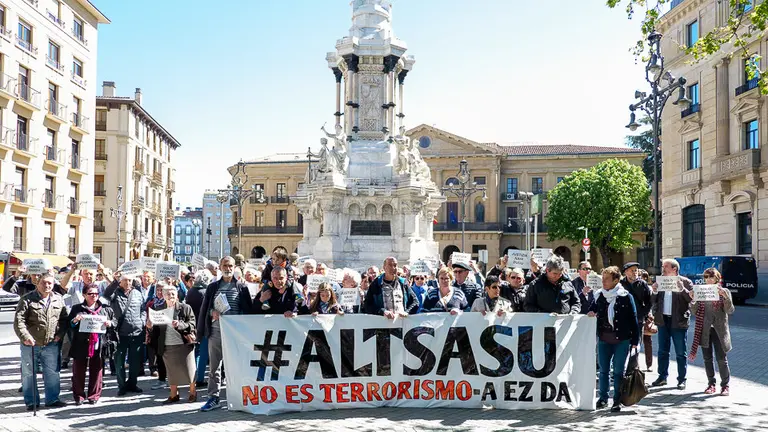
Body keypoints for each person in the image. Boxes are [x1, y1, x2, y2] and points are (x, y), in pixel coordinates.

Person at [197, 256, 253, 412]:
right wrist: (211, 312)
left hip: (236, 334)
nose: (228, 268)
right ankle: (213, 397)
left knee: (237, 367)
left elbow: (248, 310)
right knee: (214, 367)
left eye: (230, 266)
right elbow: (205, 309)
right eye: (225, 265)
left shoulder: (242, 287)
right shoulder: (212, 287)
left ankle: (237, 397)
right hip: (216, 332)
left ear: (234, 267)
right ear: (220, 268)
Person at [587, 266, 639, 412]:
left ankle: (616, 400)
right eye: (602, 279)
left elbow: (633, 319)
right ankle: (603, 398)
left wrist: (635, 341)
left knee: (618, 371)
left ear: (616, 280)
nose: (603, 282)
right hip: (604, 339)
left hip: (622, 340)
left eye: (606, 279)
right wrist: (591, 312)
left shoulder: (625, 296)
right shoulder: (599, 295)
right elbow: (591, 310)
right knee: (603, 370)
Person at [14, 274, 69, 410]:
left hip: (51, 343)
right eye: (44, 283)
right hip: (30, 344)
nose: (47, 286)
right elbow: (19, 321)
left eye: (50, 283)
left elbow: (64, 320)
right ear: (37, 283)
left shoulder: (58, 299)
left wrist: (60, 335)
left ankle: (52, 399)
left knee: (52, 373)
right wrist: (25, 336)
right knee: (29, 374)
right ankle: (32, 402)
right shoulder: (27, 299)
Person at [148, 283, 197, 404]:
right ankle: (174, 394)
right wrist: (150, 327)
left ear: (177, 295)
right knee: (171, 371)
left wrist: (180, 324)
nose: (171, 296)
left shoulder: (185, 308)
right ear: (163, 296)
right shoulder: (159, 310)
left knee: (189, 369)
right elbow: (156, 331)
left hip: (184, 343)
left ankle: (192, 392)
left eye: (173, 294)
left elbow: (192, 324)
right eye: (168, 294)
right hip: (167, 344)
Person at [689, 268, 734, 396]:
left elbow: (730, 310)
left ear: (717, 278)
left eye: (711, 277)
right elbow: (695, 311)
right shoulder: (701, 291)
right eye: (706, 277)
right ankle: (711, 384)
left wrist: (725, 297)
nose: (708, 279)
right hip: (705, 330)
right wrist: (693, 300)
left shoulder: (724, 291)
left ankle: (725, 385)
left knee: (721, 359)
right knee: (707, 358)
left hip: (720, 330)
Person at [650, 258, 694, 390]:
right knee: (663, 351)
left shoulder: (686, 282)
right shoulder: (660, 281)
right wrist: (655, 291)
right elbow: (653, 300)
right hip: (663, 320)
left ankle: (682, 379)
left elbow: (691, 300)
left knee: (681, 352)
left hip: (678, 322)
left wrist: (682, 290)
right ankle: (662, 377)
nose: (662, 269)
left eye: (665, 266)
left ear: (674, 269)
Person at [68, 283, 114, 405]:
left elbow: (114, 322)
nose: (94, 296)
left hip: (98, 344)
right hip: (81, 343)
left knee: (97, 370)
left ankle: (94, 396)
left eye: (96, 294)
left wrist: (110, 323)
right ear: (84, 295)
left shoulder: (105, 309)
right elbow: (70, 325)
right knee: (78, 371)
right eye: (90, 294)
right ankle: (79, 396)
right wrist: (75, 320)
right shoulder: (77, 308)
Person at [111, 274, 147, 395]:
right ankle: (122, 386)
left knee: (135, 362)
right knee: (119, 361)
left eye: (130, 280)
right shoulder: (114, 293)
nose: (128, 283)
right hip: (120, 333)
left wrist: (142, 321)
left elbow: (143, 309)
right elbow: (105, 295)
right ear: (120, 282)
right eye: (125, 280)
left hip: (137, 332)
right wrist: (113, 281)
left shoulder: (137, 293)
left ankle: (132, 384)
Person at [620, 262, 654, 372]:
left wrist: (643, 315)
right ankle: (620, 368)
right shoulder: (620, 284)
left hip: (638, 320)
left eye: (636, 270)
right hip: (623, 321)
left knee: (636, 345)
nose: (635, 272)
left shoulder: (642, 284)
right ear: (625, 272)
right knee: (623, 344)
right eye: (632, 270)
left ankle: (632, 368)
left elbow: (649, 302)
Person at [187, 269, 213, 388]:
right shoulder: (205, 292)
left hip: (193, 325)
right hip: (203, 326)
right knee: (203, 354)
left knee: (195, 353)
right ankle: (200, 378)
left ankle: (193, 376)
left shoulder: (191, 291)